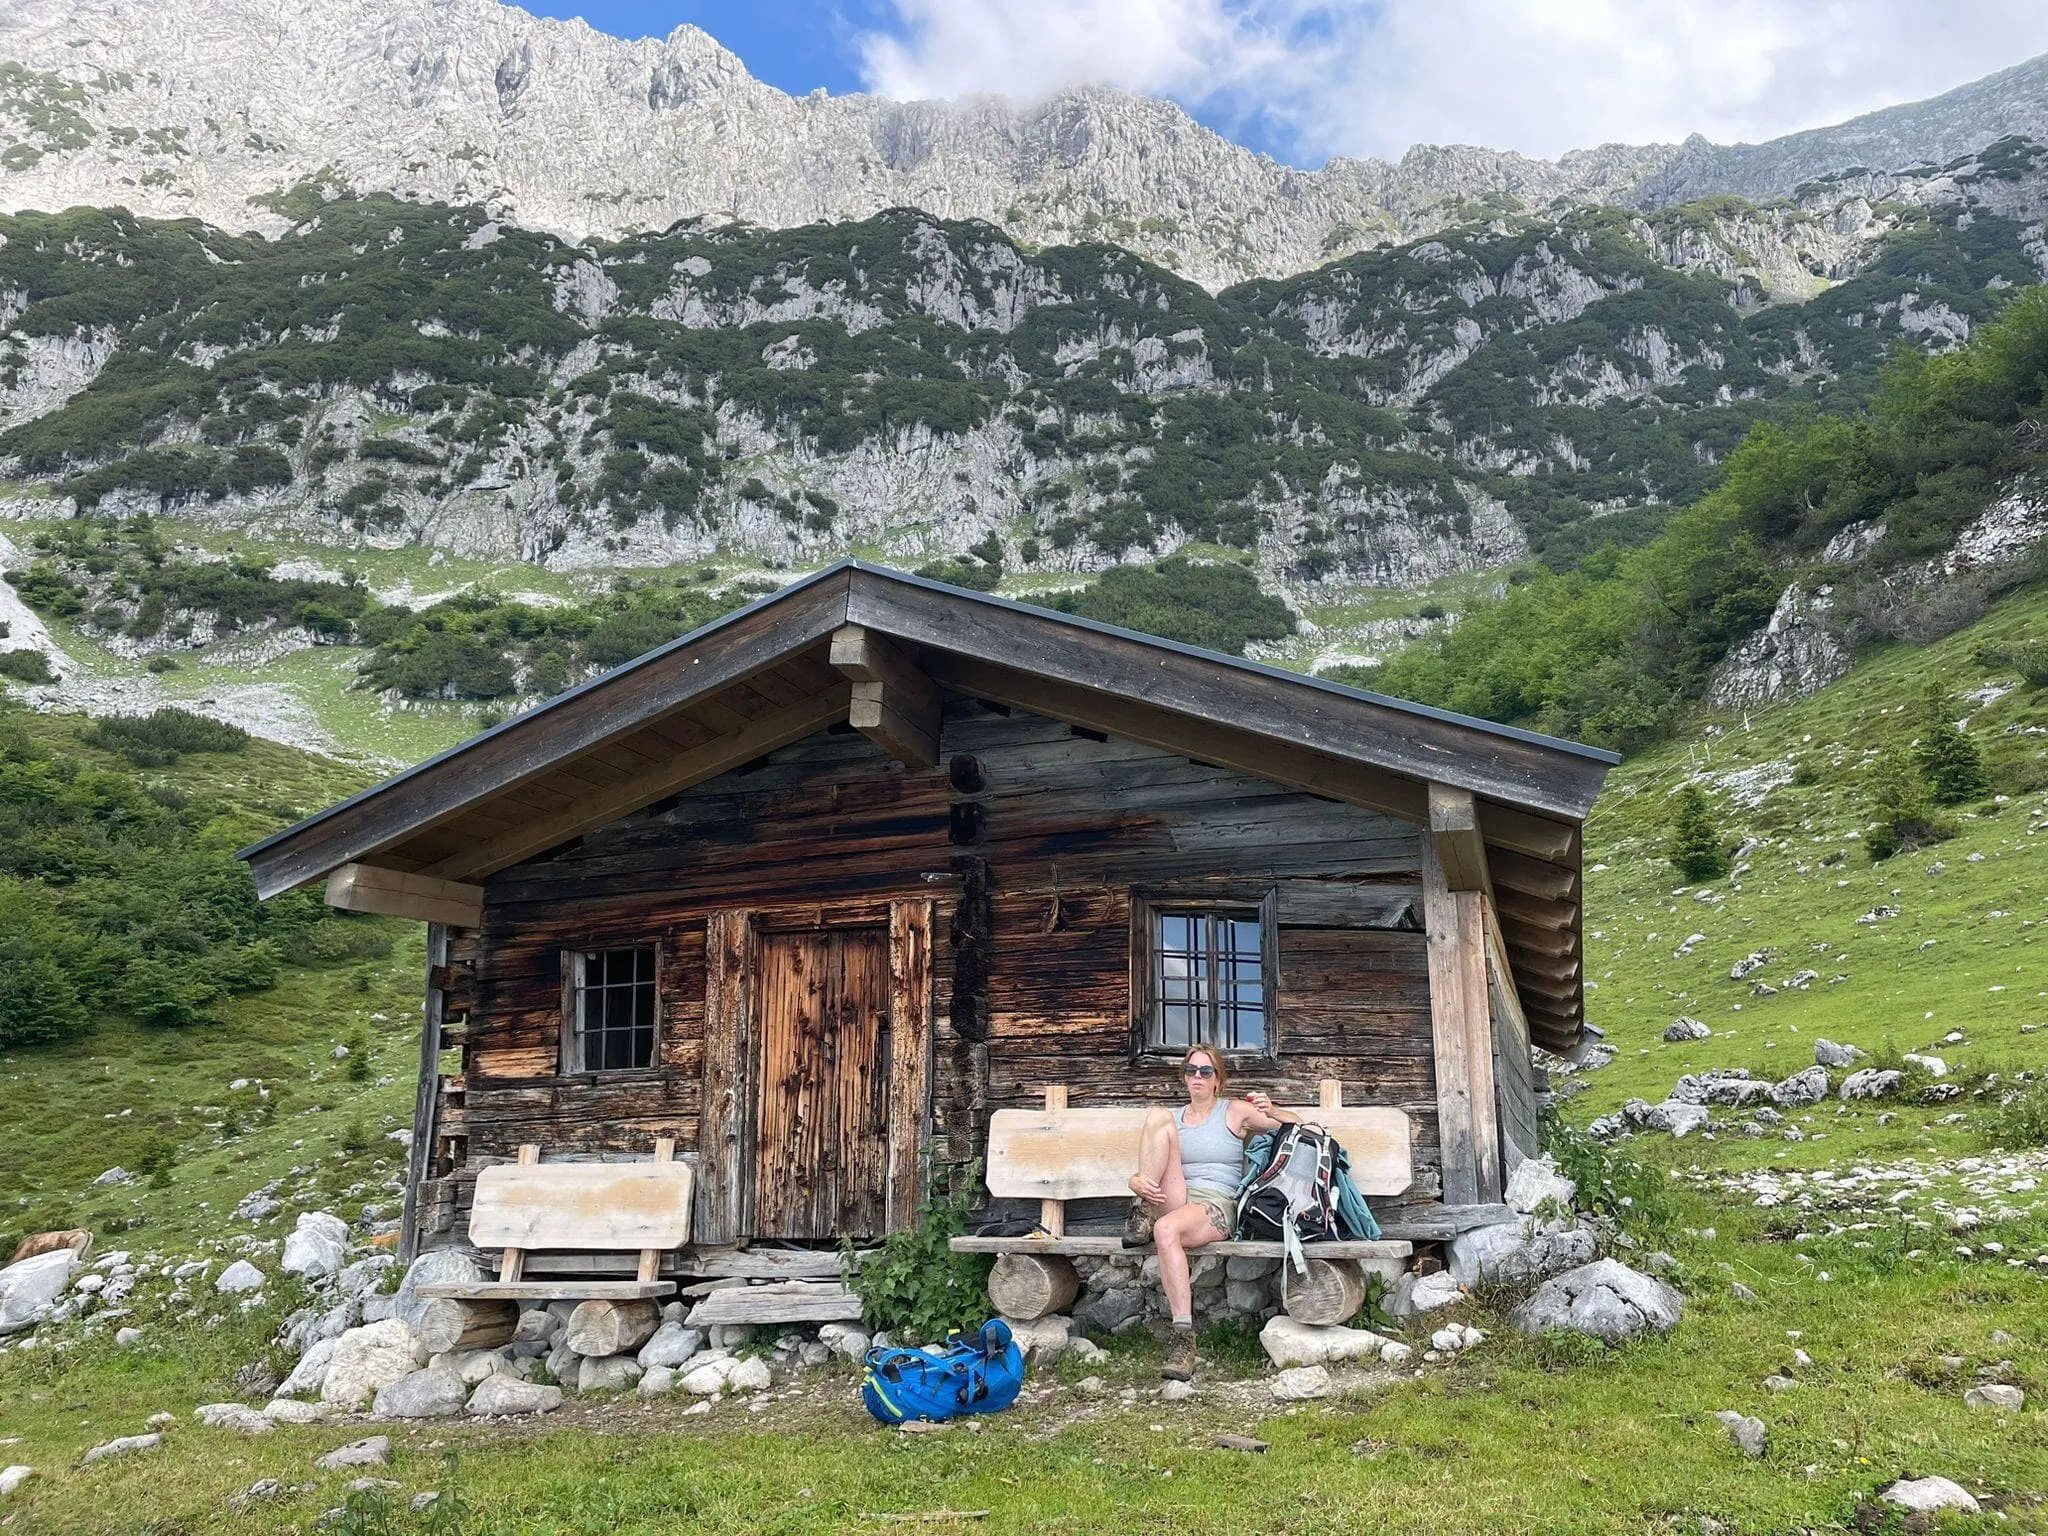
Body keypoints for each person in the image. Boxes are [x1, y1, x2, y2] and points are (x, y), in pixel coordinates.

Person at [1123, 1043, 1301, 1381]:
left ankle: (1183, 1338)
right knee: (1157, 1115)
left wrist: (1274, 1109)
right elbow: (1149, 1171)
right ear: (1185, 1077)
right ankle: (1142, 1207)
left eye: (1206, 1071)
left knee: (1165, 1231)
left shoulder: (1233, 1112)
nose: (1198, 1077)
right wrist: (1136, 1180)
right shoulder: (1172, 1120)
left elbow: (1296, 1125)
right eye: (1192, 1071)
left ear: (1218, 1079)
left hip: (1215, 1203)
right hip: (1178, 1196)